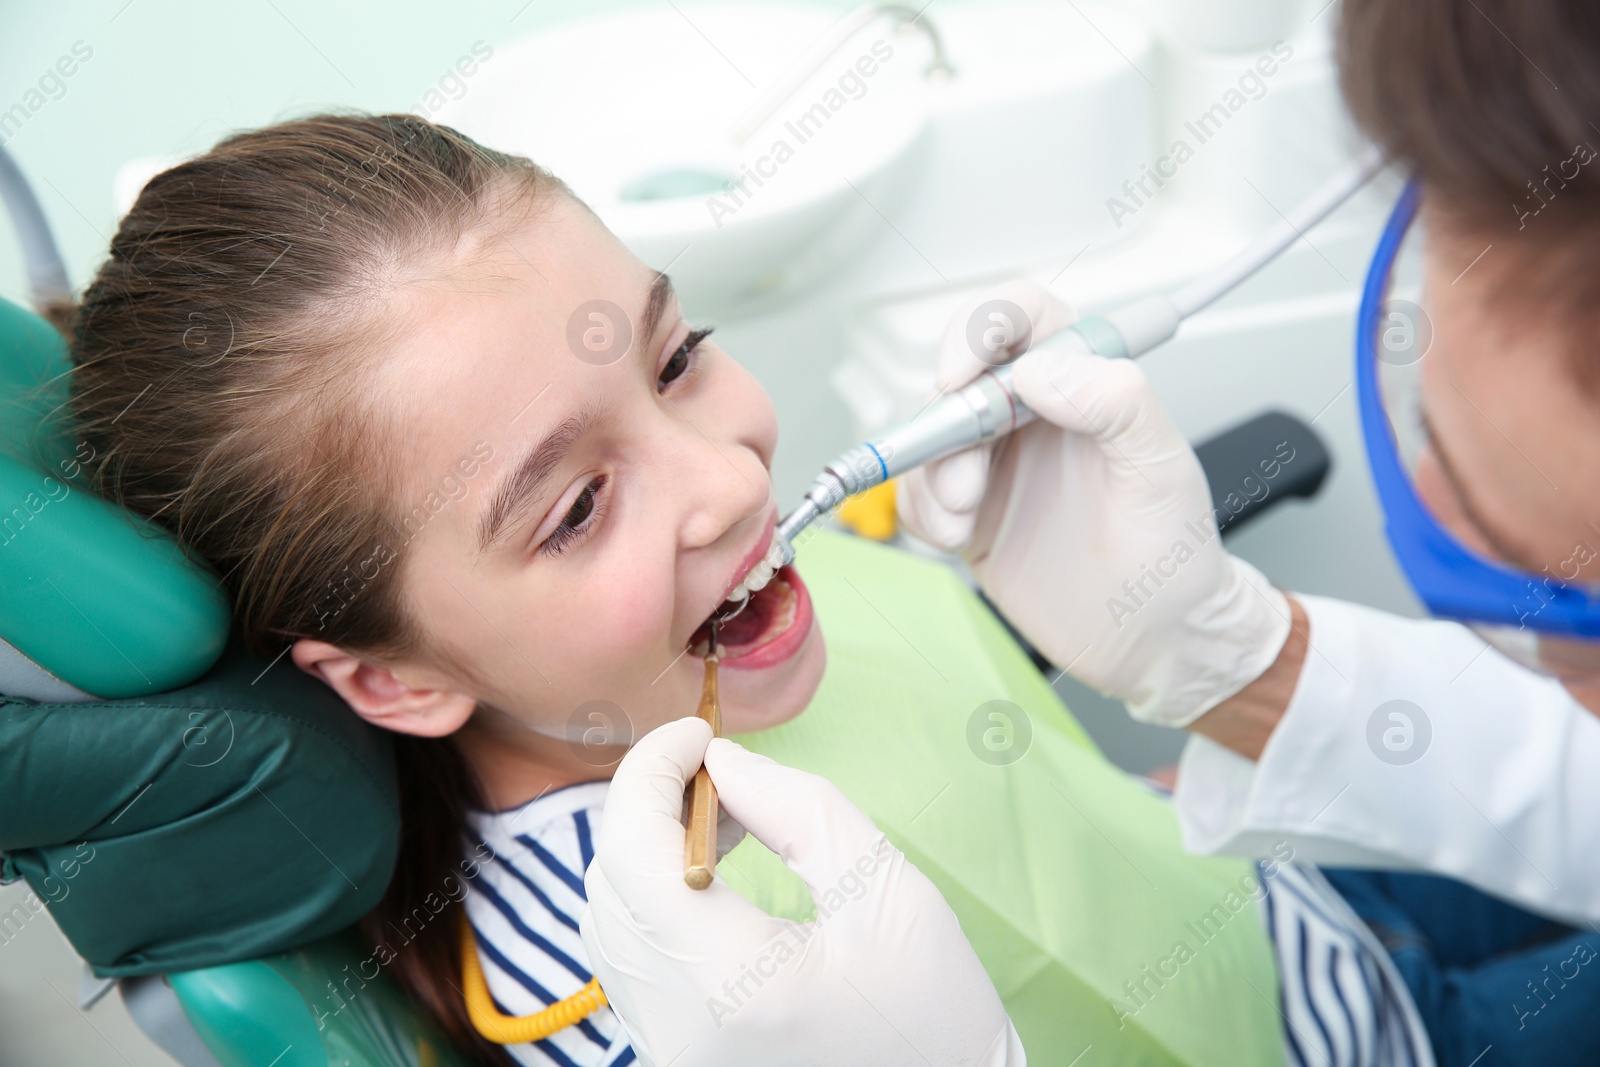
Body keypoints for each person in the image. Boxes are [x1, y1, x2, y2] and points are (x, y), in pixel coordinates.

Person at [581, 0, 1600, 1064]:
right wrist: (1235, 660)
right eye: (1423, 425)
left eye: (679, 360)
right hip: (1313, 917)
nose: (732, 483)